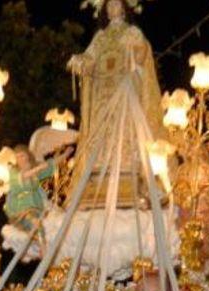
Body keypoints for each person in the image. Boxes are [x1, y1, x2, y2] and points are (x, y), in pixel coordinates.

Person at [66, 0, 165, 208]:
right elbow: (90, 60)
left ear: (124, 8)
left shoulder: (132, 32)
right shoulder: (100, 37)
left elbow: (141, 56)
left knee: (124, 133)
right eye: (108, 6)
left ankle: (128, 174)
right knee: (101, 136)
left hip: (125, 97)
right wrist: (80, 62)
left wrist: (136, 53)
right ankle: (98, 176)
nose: (112, 9)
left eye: (116, 5)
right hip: (103, 98)